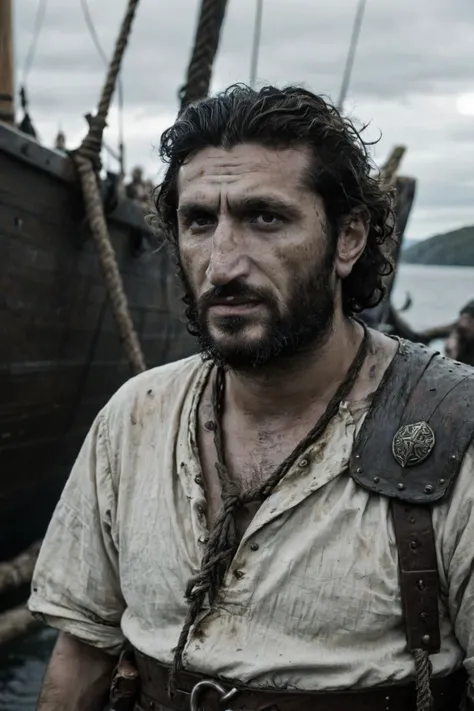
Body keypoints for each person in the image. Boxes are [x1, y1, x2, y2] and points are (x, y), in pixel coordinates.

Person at [29, 85, 474, 711]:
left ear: (349, 238)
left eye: (265, 217)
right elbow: (82, 653)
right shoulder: (136, 417)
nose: (222, 264)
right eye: (199, 222)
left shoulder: (455, 429)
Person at [445, 300, 474, 366]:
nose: (464, 324)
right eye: (463, 318)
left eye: (470, 320)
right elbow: (424, 336)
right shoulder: (456, 329)